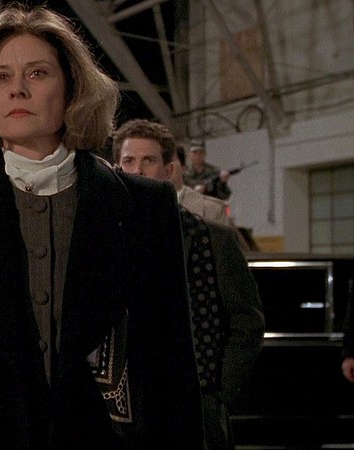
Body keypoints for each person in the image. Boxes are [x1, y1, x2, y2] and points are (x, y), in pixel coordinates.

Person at [0, 5, 203, 449]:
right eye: (1, 77)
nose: (17, 89)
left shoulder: (145, 205)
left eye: (37, 73)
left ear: (72, 88)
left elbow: (173, 358)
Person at [113, 118, 265, 450]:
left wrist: (217, 392)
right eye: (128, 161)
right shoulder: (102, 241)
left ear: (169, 170)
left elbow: (247, 321)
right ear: (116, 169)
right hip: (124, 412)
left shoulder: (213, 238)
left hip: (195, 407)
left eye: (148, 160)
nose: (137, 170)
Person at [173, 145, 229, 226]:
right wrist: (193, 192)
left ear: (205, 154)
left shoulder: (214, 171)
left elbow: (224, 195)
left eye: (200, 153)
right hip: (188, 206)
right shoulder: (184, 171)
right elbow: (179, 189)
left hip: (209, 211)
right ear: (189, 155)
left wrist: (223, 182)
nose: (197, 156)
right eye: (195, 153)